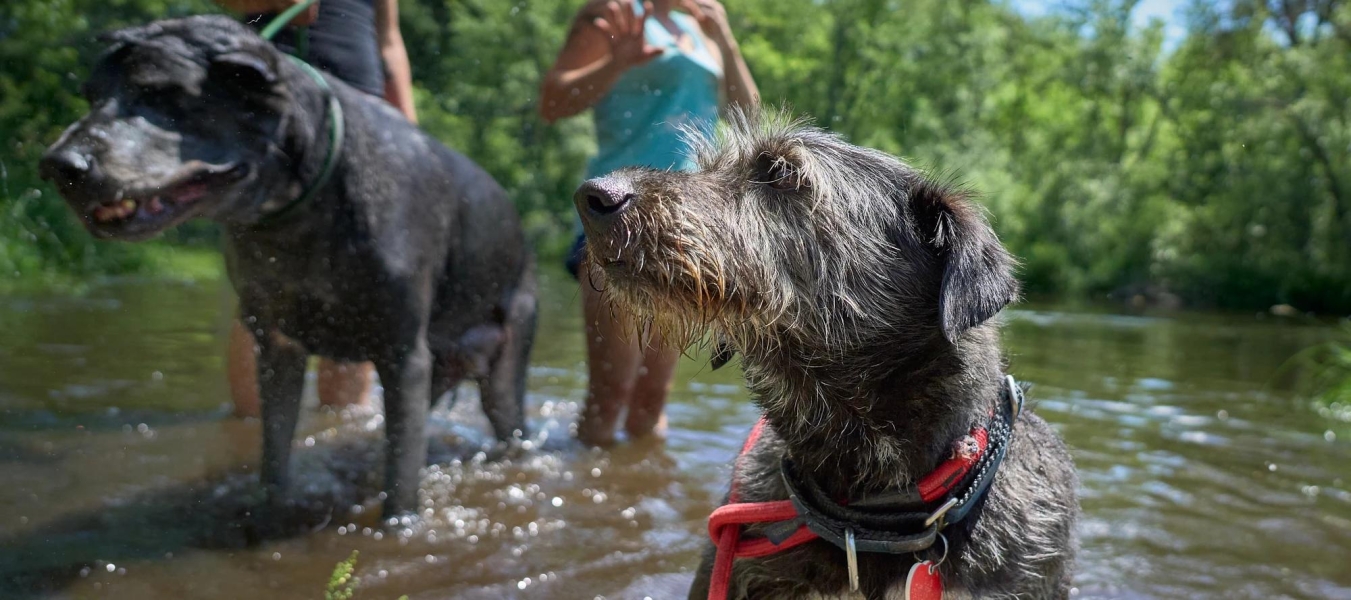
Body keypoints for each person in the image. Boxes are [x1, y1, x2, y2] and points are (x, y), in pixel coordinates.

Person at [540, 0, 758, 445]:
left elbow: (748, 119)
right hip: (615, 211)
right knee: (610, 395)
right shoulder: (612, 12)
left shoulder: (701, 28)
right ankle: (588, 506)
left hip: (684, 225)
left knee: (652, 399)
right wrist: (616, 63)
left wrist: (725, 39)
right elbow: (553, 102)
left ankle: (644, 502)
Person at [215, 0, 418, 417]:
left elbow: (389, 39)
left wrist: (408, 129)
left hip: (363, 109)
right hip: (271, 100)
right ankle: (251, 436)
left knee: (357, 278)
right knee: (263, 277)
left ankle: (338, 433)